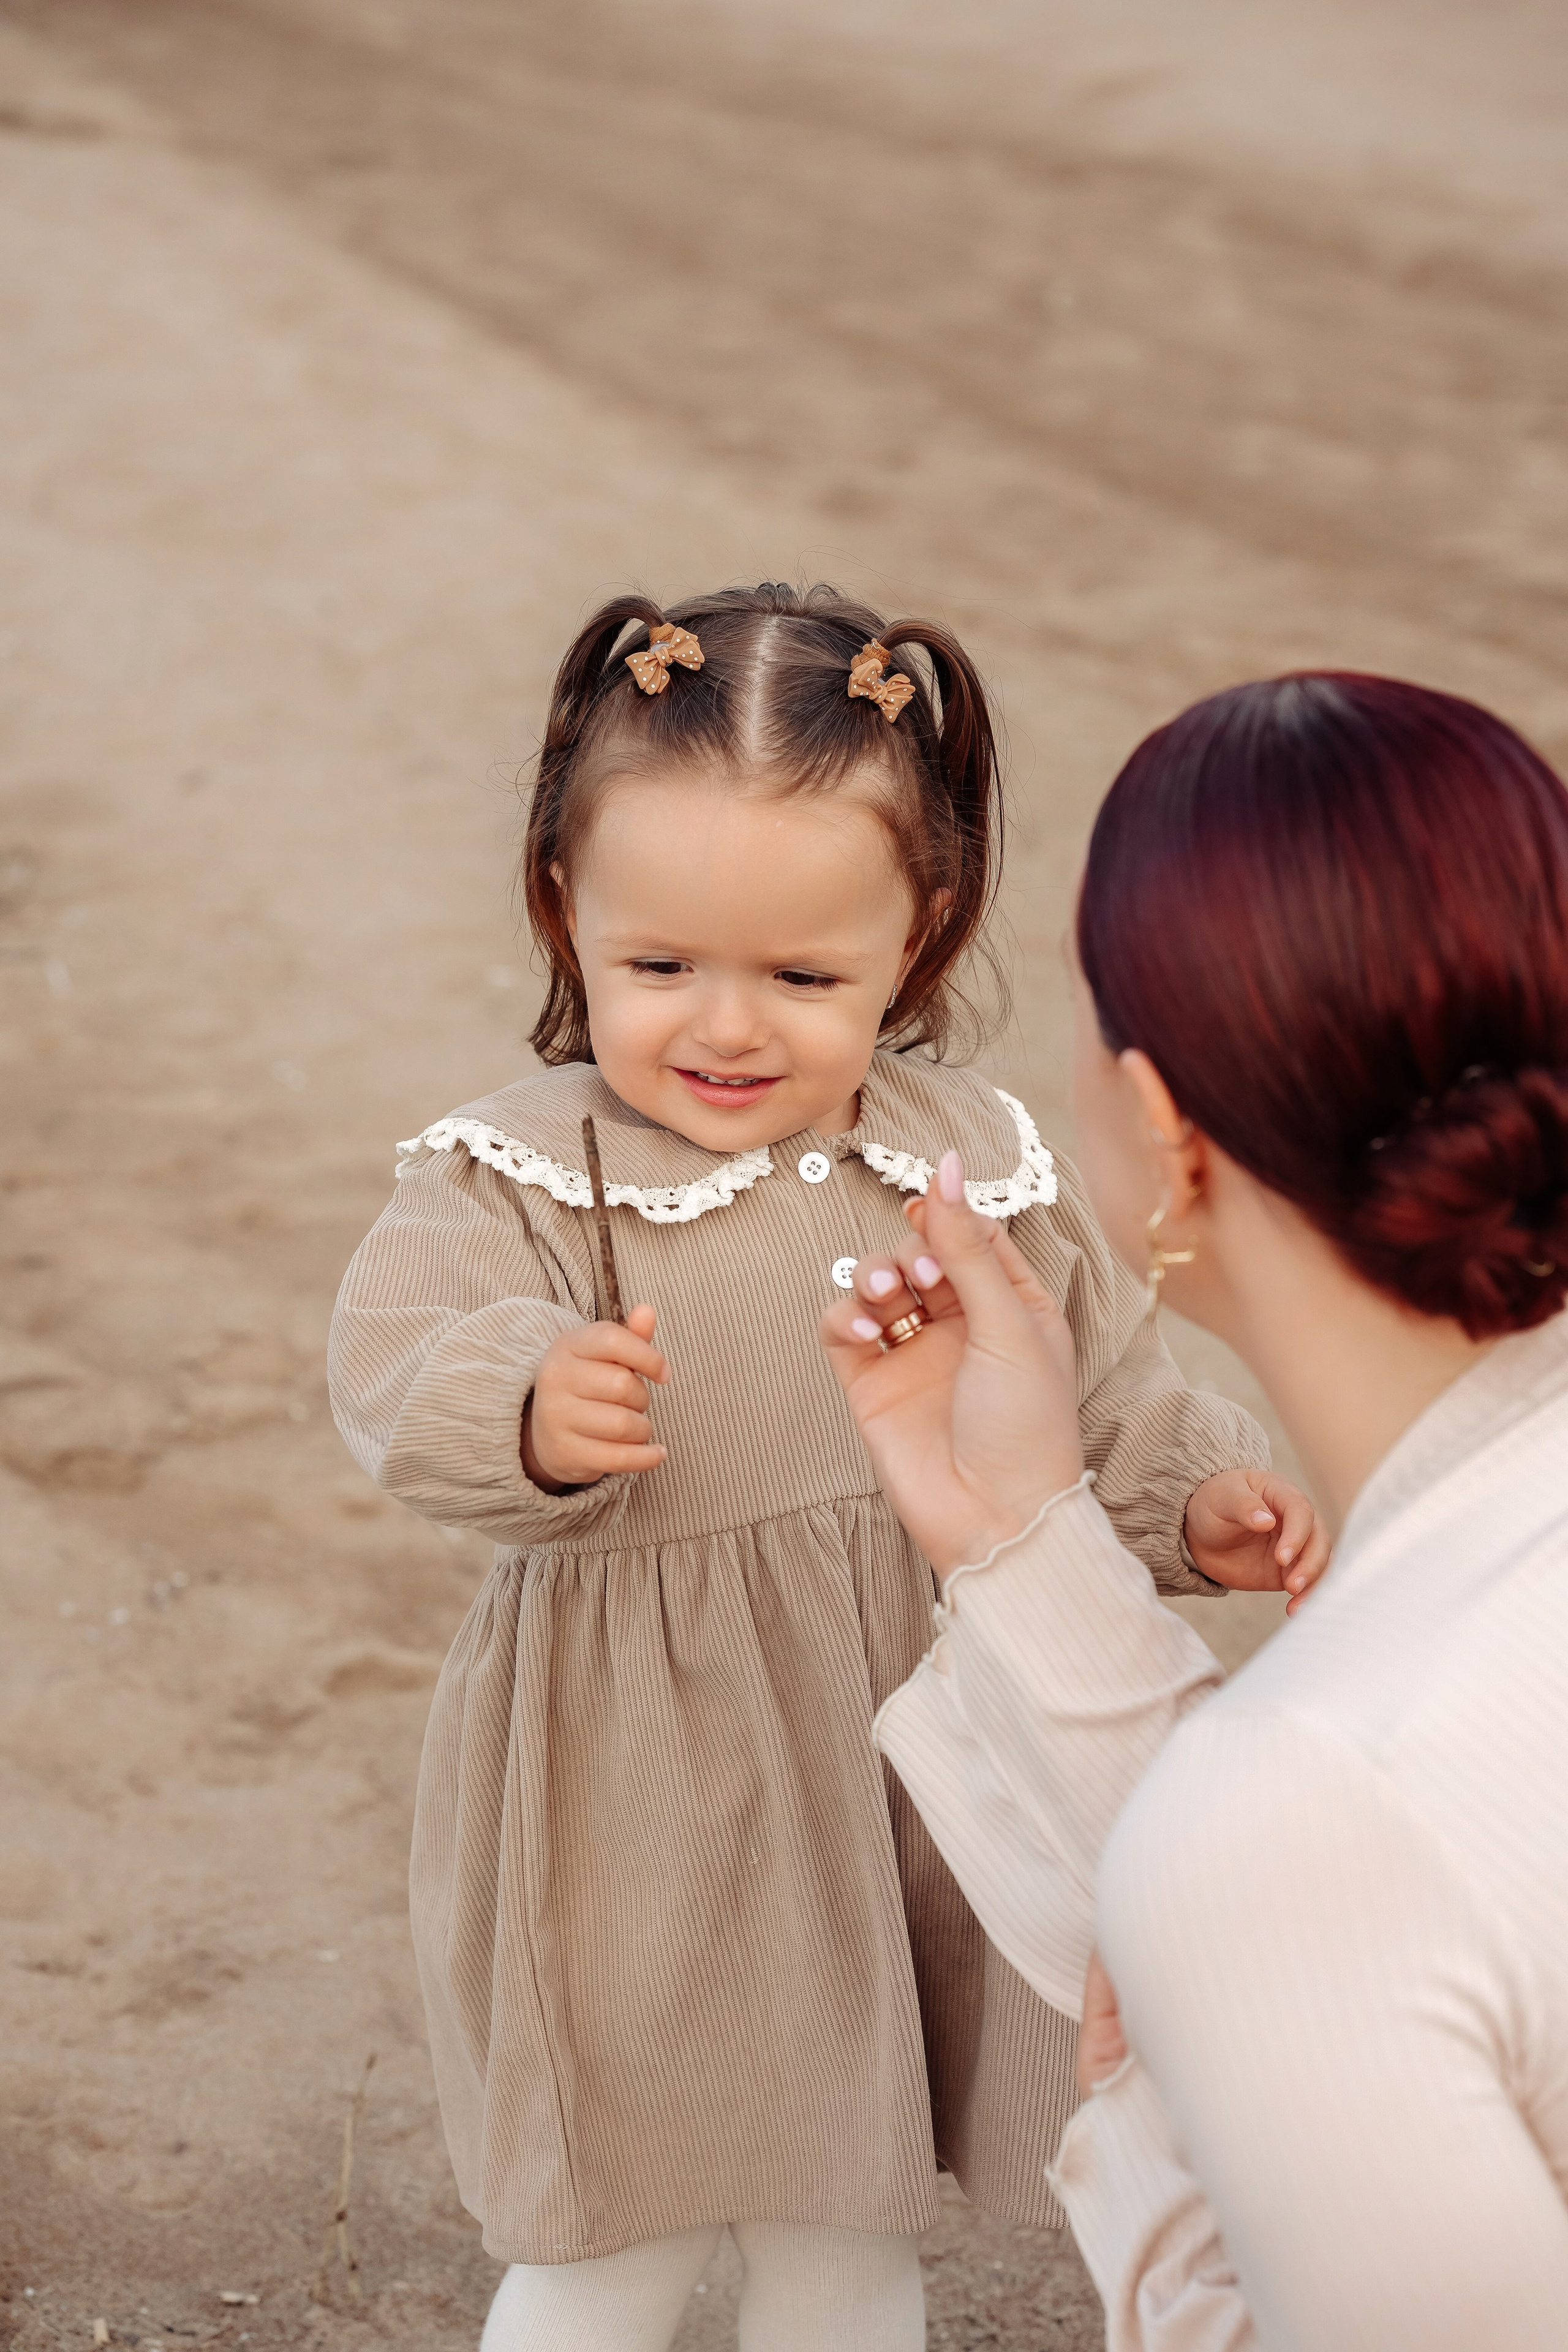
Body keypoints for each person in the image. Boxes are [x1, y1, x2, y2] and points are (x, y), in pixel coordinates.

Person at [326, 584, 1323, 2352]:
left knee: (847, 2224)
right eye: (661, 967)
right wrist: (528, 1405)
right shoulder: (523, 1173)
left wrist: (1202, 1499)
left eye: (804, 977)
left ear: (919, 938)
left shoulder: (966, 1161)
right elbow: (396, 1361)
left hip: (889, 1764)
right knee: (612, 2237)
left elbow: (1092, 1389)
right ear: (568, 911)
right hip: (628, 1794)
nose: (728, 1029)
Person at [823, 672, 1568, 2350]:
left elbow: (1319, 1855)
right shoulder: (1315, 1795)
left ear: (1164, 1140)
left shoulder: (1300, 1826)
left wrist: (1153, 2144)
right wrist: (1018, 1529)